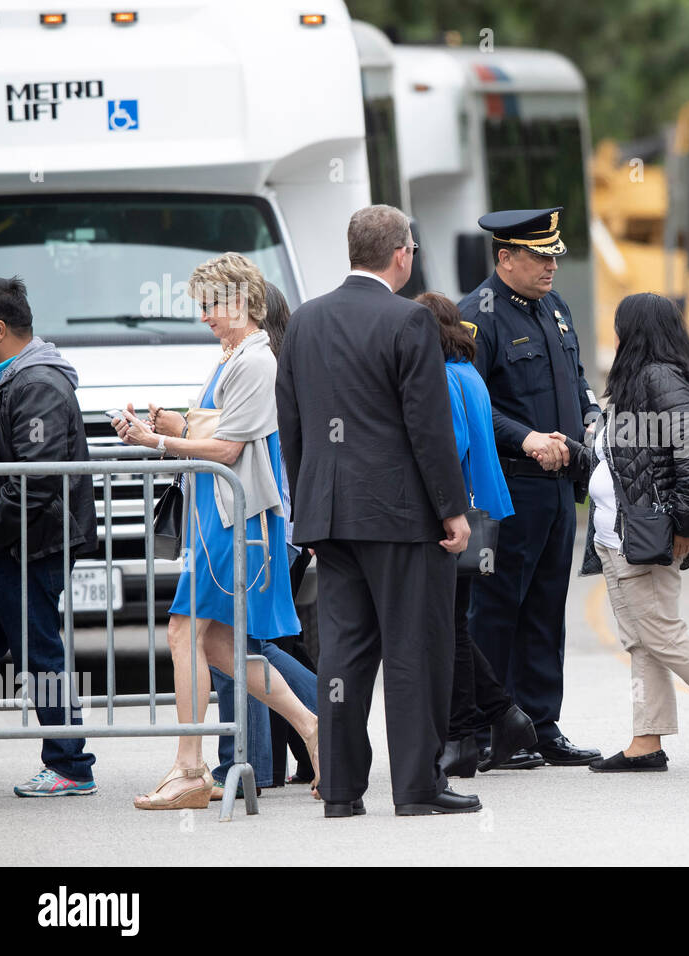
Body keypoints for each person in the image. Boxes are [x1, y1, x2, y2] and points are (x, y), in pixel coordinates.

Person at [276, 205, 476, 817]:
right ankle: (416, 789)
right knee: (414, 650)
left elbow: (292, 425)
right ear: (401, 254)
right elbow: (428, 426)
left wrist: (309, 508)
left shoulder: (304, 321)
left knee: (343, 654)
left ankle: (340, 790)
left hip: (331, 516)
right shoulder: (409, 320)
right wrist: (453, 509)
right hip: (401, 516)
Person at [113, 253, 317, 810]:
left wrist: (155, 440)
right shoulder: (236, 356)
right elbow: (222, 433)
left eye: (213, 305)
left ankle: (190, 767)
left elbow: (227, 448)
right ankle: (313, 729)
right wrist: (166, 427)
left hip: (235, 523)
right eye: (202, 305)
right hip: (227, 521)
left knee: (186, 634)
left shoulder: (252, 361)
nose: (205, 315)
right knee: (221, 644)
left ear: (245, 303)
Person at [563, 292, 689, 773]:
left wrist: (686, 524)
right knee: (641, 641)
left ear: (635, 331)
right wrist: (572, 452)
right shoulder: (632, 381)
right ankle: (647, 740)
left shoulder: (659, 378)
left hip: (646, 536)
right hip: (616, 536)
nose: (614, 335)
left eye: (619, 325)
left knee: (662, 635)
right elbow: (621, 463)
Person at [459, 206, 602, 768]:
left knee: (545, 608)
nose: (550, 267)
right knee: (497, 612)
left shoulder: (553, 306)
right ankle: (493, 729)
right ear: (506, 258)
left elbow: (577, 376)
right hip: (508, 486)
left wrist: (589, 414)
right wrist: (524, 439)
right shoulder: (479, 315)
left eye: (553, 257)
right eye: (539, 257)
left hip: (558, 487)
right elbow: (472, 405)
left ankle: (540, 725)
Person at [413, 291, 536, 780]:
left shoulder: (441, 378)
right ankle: (505, 716)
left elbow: (452, 445)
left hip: (455, 515)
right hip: (484, 510)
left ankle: (465, 733)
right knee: (454, 625)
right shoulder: (470, 375)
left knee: (448, 628)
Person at [207, 282, 319, 799]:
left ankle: (253, 757)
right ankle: (259, 760)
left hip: (268, 523)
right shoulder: (285, 364)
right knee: (251, 641)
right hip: (283, 523)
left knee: (243, 643)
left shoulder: (261, 367)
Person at [0, 276, 97, 797]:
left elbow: (35, 480)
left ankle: (70, 765)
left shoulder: (36, 384)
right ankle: (68, 761)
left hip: (28, 544)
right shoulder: (16, 379)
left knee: (39, 652)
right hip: (13, 543)